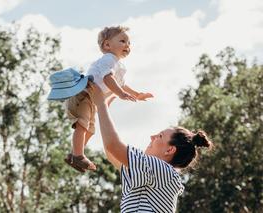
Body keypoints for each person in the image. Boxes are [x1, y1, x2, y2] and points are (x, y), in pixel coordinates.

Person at [88, 81, 213, 212]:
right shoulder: (155, 174)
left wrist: (101, 104)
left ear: (170, 150)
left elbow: (113, 146)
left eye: (160, 136)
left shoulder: (163, 170)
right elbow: (112, 151)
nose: (152, 137)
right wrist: (104, 108)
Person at [64, 26, 154, 172]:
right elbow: (108, 79)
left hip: (92, 99)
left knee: (90, 130)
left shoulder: (118, 65)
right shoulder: (108, 59)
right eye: (123, 41)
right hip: (84, 93)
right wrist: (119, 93)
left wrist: (137, 94)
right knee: (82, 125)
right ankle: (78, 155)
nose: (127, 45)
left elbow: (122, 84)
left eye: (129, 43)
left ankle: (74, 154)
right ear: (107, 45)